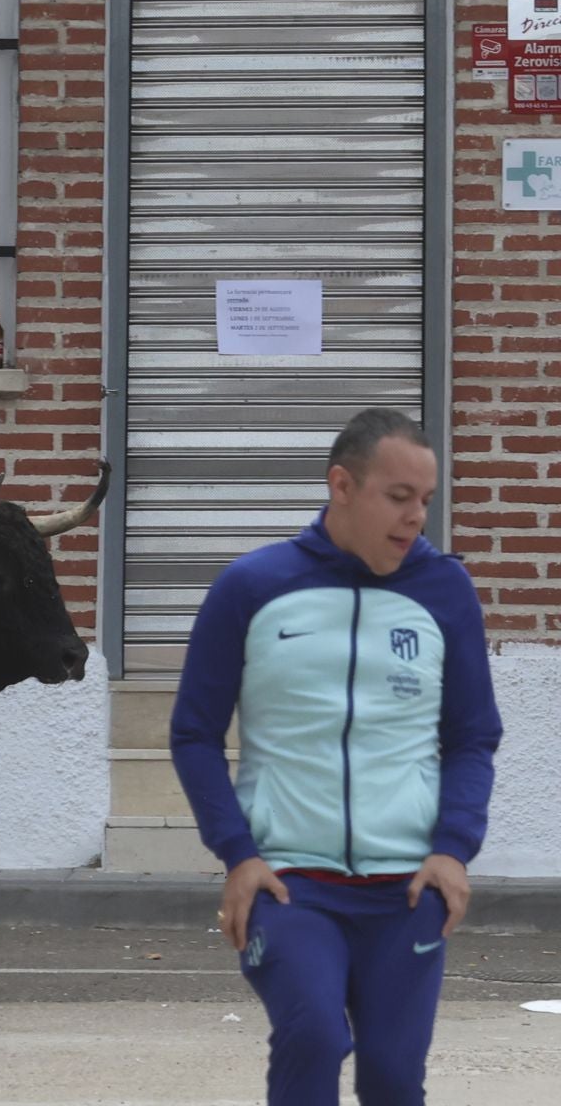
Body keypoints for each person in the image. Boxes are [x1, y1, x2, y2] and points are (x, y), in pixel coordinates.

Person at [171, 408, 502, 1106]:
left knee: (390, 1078)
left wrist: (453, 848)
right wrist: (238, 853)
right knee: (315, 1035)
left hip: (407, 890)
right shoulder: (252, 587)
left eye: (426, 500)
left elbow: (473, 737)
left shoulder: (446, 593)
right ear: (342, 486)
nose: (416, 518)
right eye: (398, 496)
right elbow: (194, 733)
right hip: (291, 883)